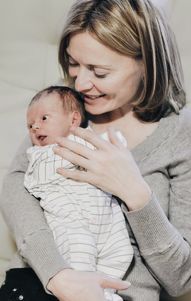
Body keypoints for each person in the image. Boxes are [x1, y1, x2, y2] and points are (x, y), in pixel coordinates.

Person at [0, 0, 191, 300]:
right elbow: (17, 188)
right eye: (73, 63)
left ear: (146, 63)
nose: (80, 83)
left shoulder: (183, 134)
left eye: (99, 71)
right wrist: (58, 274)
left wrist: (135, 192)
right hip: (37, 282)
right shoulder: (62, 107)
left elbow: (183, 278)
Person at [24, 85, 133, 301]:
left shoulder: (90, 139)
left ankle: (107, 294)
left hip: (106, 217)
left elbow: (114, 157)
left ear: (73, 121)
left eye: (44, 118)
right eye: (30, 125)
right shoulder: (39, 154)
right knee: (79, 255)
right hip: (71, 219)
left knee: (121, 252)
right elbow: (32, 184)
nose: (35, 127)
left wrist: (117, 143)